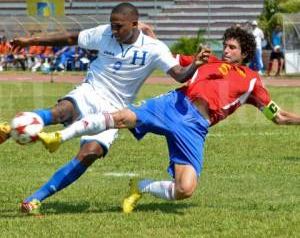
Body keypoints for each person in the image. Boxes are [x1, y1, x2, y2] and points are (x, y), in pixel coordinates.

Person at [38, 27, 300, 213]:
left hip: (195, 128)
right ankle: (60, 136)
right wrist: (147, 35)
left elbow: (278, 116)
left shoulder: (252, 80)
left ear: (245, 54)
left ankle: (139, 187)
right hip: (174, 105)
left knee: (185, 189)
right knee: (122, 117)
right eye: (226, 45)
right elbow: (164, 56)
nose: (227, 50)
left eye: (233, 47)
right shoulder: (206, 62)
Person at [0, 2, 204, 214]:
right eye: (112, 26)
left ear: (134, 24)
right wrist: (30, 41)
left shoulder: (154, 48)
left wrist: (195, 65)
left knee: (90, 153)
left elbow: (179, 74)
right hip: (91, 91)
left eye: (119, 27)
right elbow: (71, 38)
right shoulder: (104, 33)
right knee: (61, 111)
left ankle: (34, 200)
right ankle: (11, 128)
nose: (113, 31)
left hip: (115, 109)